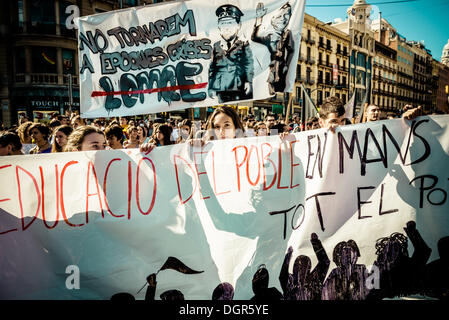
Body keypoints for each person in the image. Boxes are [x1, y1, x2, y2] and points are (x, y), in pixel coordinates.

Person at [208, 4, 254, 103]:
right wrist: (211, 87)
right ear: (219, 26)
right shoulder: (216, 46)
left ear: (238, 25)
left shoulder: (243, 44)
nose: (227, 27)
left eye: (230, 23)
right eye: (223, 23)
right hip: (221, 86)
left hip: (238, 85)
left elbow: (248, 65)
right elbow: (212, 69)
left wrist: (248, 81)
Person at [252, 2, 294, 94]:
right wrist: (259, 20)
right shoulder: (270, 37)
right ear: (273, 20)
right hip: (272, 69)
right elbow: (254, 38)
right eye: (279, 16)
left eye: (286, 15)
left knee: (280, 88)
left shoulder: (287, 34)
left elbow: (291, 50)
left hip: (282, 69)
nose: (283, 19)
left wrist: (287, 65)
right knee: (271, 89)